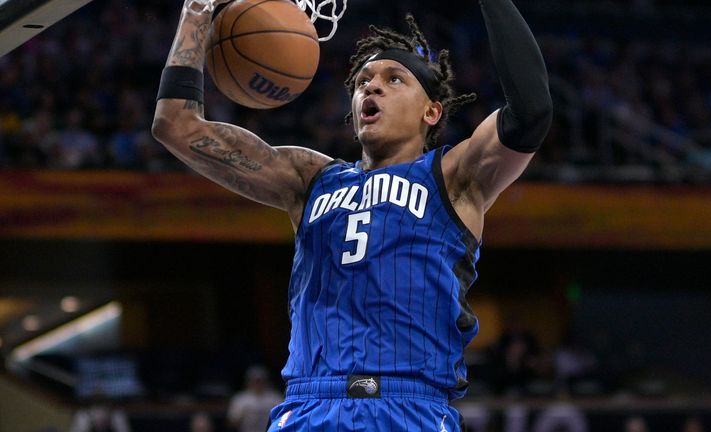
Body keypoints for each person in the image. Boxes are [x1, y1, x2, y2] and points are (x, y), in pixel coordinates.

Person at [151, 0, 551, 429]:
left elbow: (531, 113)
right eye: (363, 81)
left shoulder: (454, 177)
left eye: (393, 79)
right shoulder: (308, 178)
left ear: (431, 111)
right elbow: (176, 126)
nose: (371, 88)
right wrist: (197, 11)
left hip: (408, 406)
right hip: (309, 405)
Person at [227, 366, 283, 432]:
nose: (258, 384)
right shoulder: (240, 399)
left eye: (261, 381)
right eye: (255, 381)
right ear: (248, 381)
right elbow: (232, 421)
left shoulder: (275, 397)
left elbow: (283, 419)